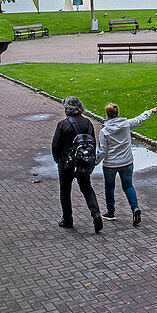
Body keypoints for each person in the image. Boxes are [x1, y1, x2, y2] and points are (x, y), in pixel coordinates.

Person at [97, 103, 157, 226]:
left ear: (107, 114)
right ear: (118, 112)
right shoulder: (126, 124)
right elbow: (139, 119)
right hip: (126, 162)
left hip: (110, 164)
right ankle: (134, 208)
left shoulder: (104, 131)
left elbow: (103, 151)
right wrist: (150, 111)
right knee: (128, 185)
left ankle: (111, 212)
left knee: (109, 188)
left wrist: (94, 162)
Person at [51, 96, 103, 233]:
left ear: (68, 110)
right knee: (87, 188)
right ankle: (96, 213)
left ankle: (68, 220)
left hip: (66, 163)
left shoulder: (63, 124)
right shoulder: (87, 123)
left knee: (65, 190)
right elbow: (92, 142)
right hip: (83, 162)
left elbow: (55, 145)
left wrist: (58, 160)